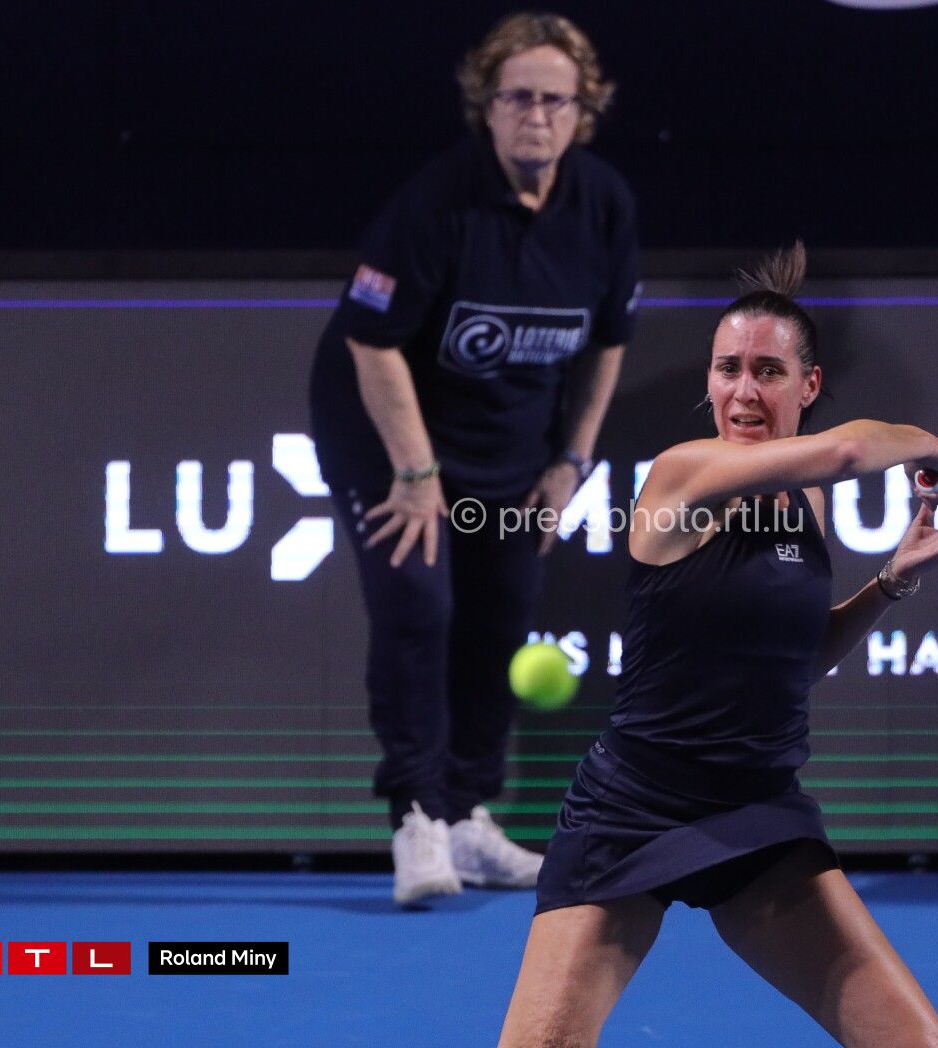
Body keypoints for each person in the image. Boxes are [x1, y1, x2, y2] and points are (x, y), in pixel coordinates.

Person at [498, 243, 938, 1048]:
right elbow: (850, 450)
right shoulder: (681, 474)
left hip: (757, 814)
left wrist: (890, 583)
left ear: (808, 384)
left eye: (768, 371)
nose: (742, 391)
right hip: (633, 812)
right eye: (727, 368)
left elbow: (798, 663)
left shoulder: (805, 500)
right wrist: (927, 444)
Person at [307, 12, 639, 907]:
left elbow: (608, 342)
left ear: (583, 112)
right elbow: (372, 343)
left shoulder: (604, 205)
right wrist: (416, 477)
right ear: (486, 107)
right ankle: (417, 819)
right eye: (518, 97)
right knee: (419, 604)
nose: (537, 115)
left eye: (556, 101)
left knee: (500, 613)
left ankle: (465, 816)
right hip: (384, 434)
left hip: (510, 442)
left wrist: (572, 460)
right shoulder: (435, 205)